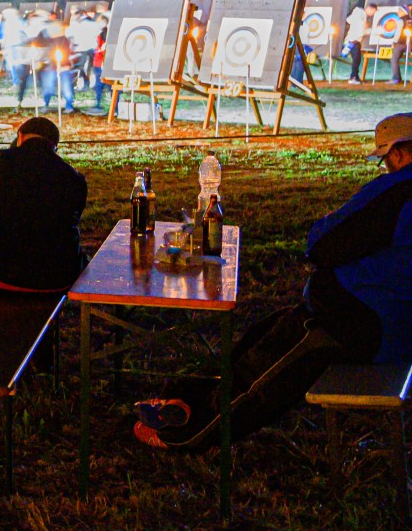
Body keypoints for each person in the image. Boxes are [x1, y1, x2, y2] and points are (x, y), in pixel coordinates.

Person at [134, 112, 412, 451]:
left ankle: (185, 435)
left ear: (399, 154)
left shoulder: (399, 191)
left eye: (385, 161)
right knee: (260, 336)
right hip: (378, 317)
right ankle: (183, 399)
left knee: (262, 377)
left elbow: (322, 244)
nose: (386, 169)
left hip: (364, 324)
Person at [0, 116, 88, 293]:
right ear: (55, 146)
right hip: (59, 277)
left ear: (20, 136)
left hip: (0, 274)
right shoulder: (73, 177)